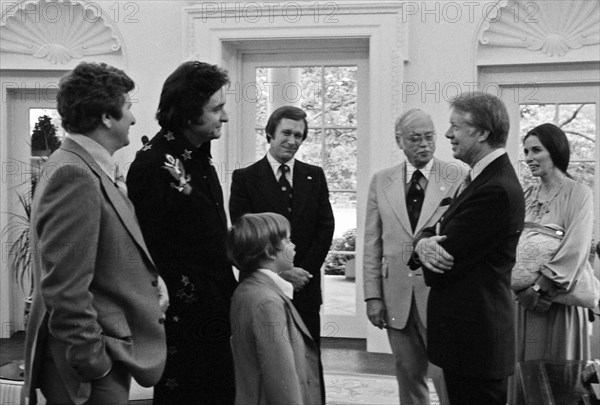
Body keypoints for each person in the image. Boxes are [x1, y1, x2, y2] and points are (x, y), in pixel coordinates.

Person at [24, 62, 167, 405]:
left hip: (96, 358)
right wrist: (94, 364)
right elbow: (65, 287)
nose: (133, 119)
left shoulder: (82, 166)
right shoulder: (74, 174)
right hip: (86, 372)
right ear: (106, 116)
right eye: (128, 107)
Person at [126, 61, 237, 404]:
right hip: (181, 324)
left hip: (214, 312)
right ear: (190, 113)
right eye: (217, 108)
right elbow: (148, 254)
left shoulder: (200, 156)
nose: (225, 116)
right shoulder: (152, 165)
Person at [409, 91, 525, 404]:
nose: (447, 134)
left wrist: (426, 247)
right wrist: (422, 244)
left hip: (477, 343)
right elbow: (435, 230)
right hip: (469, 341)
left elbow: (445, 260)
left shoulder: (496, 189)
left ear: (483, 132)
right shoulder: (481, 178)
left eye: (456, 126)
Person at [229, 105, 334, 401]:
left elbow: (325, 229)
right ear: (270, 134)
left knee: (308, 359)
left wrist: (303, 272)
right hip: (264, 287)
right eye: (286, 133)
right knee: (274, 363)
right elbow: (244, 233)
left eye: (299, 135)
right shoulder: (245, 178)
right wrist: (281, 273)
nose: (292, 140)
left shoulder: (314, 176)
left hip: (305, 286)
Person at [363, 109, 455, 405]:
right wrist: (372, 296)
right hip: (396, 296)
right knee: (407, 374)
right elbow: (372, 243)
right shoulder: (381, 181)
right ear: (399, 140)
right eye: (416, 138)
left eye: (430, 137)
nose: (425, 144)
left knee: (447, 376)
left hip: (440, 294)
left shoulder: (458, 176)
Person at [512, 123, 594, 392]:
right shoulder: (525, 195)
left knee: (559, 384)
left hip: (559, 305)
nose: (528, 157)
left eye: (536, 150)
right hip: (524, 303)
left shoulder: (578, 193)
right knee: (525, 378)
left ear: (555, 151)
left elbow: (576, 249)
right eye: (525, 151)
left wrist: (539, 289)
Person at [228, 213, 322, 405]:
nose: (293, 245)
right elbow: (281, 375)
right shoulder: (267, 302)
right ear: (270, 251)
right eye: (287, 240)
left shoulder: (249, 289)